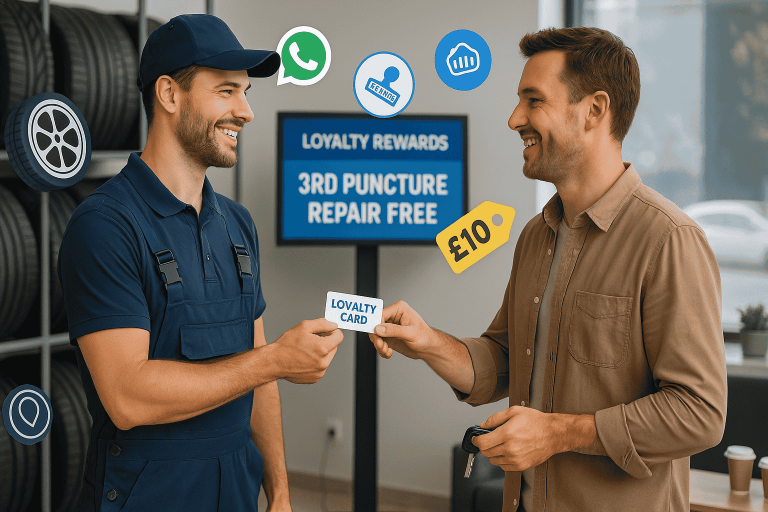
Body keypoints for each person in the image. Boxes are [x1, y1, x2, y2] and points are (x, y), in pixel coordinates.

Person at [369, 27, 727, 512]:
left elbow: (699, 413)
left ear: (594, 110)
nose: (515, 118)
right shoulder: (537, 236)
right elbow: (505, 360)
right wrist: (428, 341)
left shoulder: (669, 240)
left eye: (533, 101)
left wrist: (559, 433)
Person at [59, 14, 343, 512]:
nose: (246, 111)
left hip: (235, 494)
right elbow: (127, 398)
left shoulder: (237, 225)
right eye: (227, 91)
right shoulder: (105, 226)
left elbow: (260, 379)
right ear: (169, 95)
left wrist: (279, 492)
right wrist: (274, 358)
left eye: (246, 92)